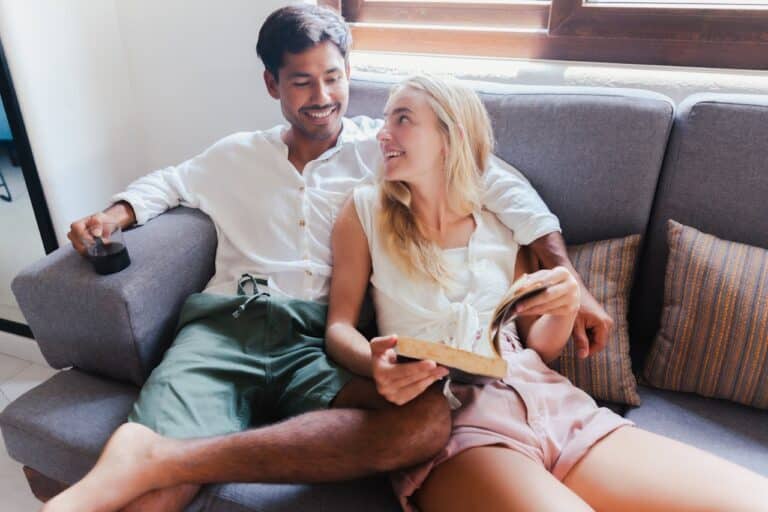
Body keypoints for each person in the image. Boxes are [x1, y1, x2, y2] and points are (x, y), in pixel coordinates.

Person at [45, 5, 608, 512]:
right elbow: (169, 183)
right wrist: (115, 214)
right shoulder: (236, 155)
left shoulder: (383, 150)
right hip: (226, 329)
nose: (322, 96)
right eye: (302, 81)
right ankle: (147, 461)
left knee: (426, 421)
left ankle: (170, 456)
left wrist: (569, 280)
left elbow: (495, 180)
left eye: (333, 77)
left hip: (317, 345)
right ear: (272, 84)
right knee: (153, 497)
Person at [325, 73, 768, 512]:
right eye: (386, 119)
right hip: (454, 418)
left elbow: (538, 346)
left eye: (402, 119)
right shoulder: (364, 210)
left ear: (450, 135)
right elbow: (339, 327)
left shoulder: (502, 224)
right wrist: (376, 365)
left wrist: (565, 306)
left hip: (550, 401)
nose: (383, 133)